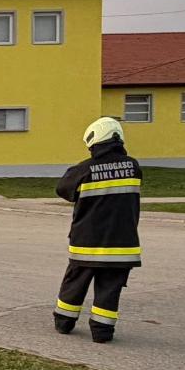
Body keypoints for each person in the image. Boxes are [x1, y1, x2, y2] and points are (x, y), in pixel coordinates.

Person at [53, 117, 142, 343]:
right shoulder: (133, 167)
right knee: (110, 289)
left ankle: (64, 322)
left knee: (75, 283)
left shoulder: (83, 170)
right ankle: (102, 332)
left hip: (87, 242)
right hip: (123, 245)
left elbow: (62, 189)